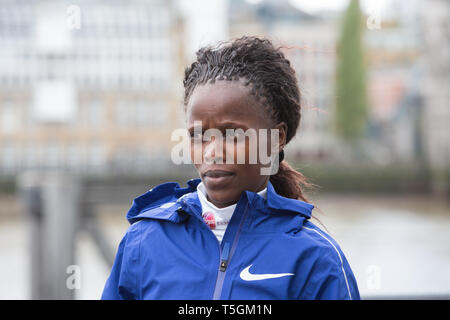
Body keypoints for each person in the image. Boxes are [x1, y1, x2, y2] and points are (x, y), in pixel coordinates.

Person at [101, 36, 360, 300]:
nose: (212, 152)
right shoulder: (143, 242)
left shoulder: (315, 259)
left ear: (276, 138)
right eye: (198, 135)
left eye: (232, 134)